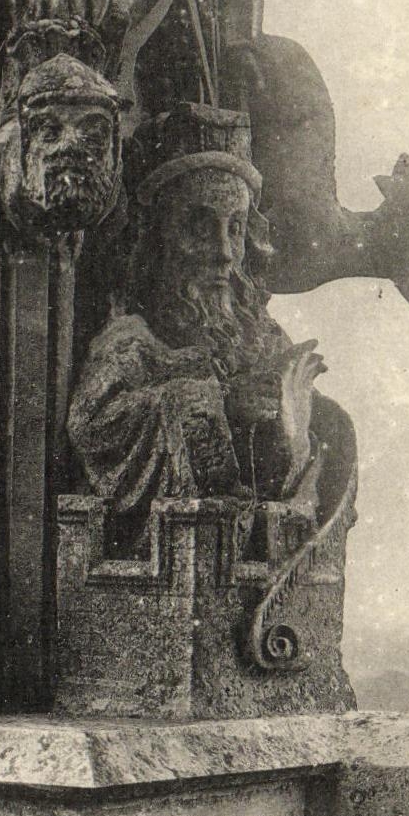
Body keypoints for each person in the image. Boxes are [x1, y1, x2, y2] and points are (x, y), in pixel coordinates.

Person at [69, 104, 356, 548]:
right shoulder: (130, 344)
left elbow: (302, 462)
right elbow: (95, 429)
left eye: (236, 228)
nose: (224, 252)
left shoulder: (261, 340)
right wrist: (222, 405)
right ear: (159, 236)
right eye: (201, 228)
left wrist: (298, 417)